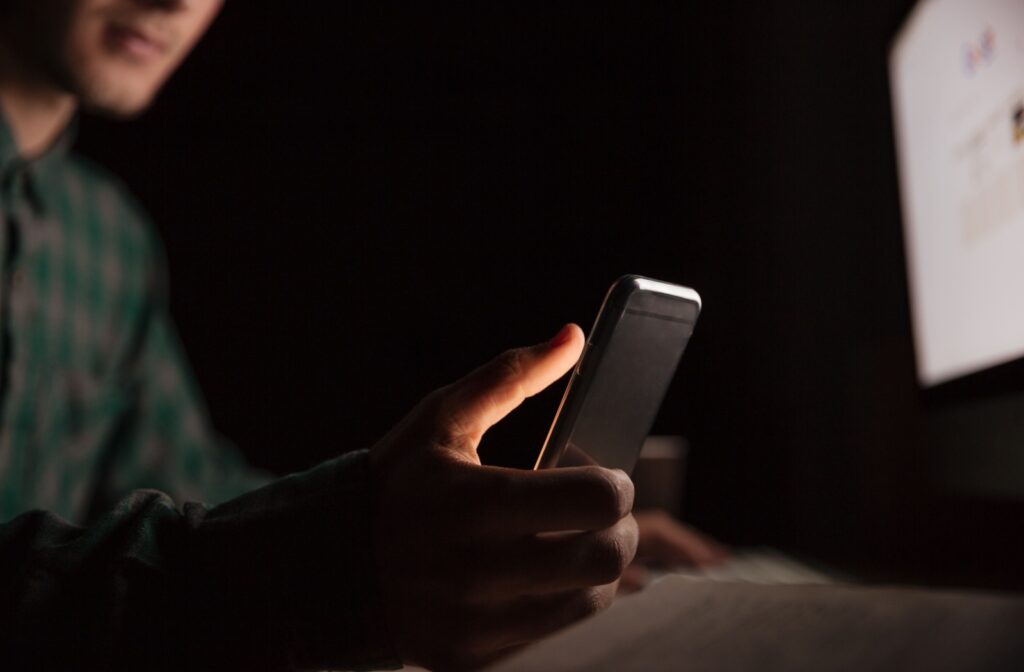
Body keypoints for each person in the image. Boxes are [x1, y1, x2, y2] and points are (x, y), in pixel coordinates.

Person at [0, 1, 726, 669]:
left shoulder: (106, 237)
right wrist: (347, 564)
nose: (176, 2)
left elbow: (188, 484)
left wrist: (489, 542)